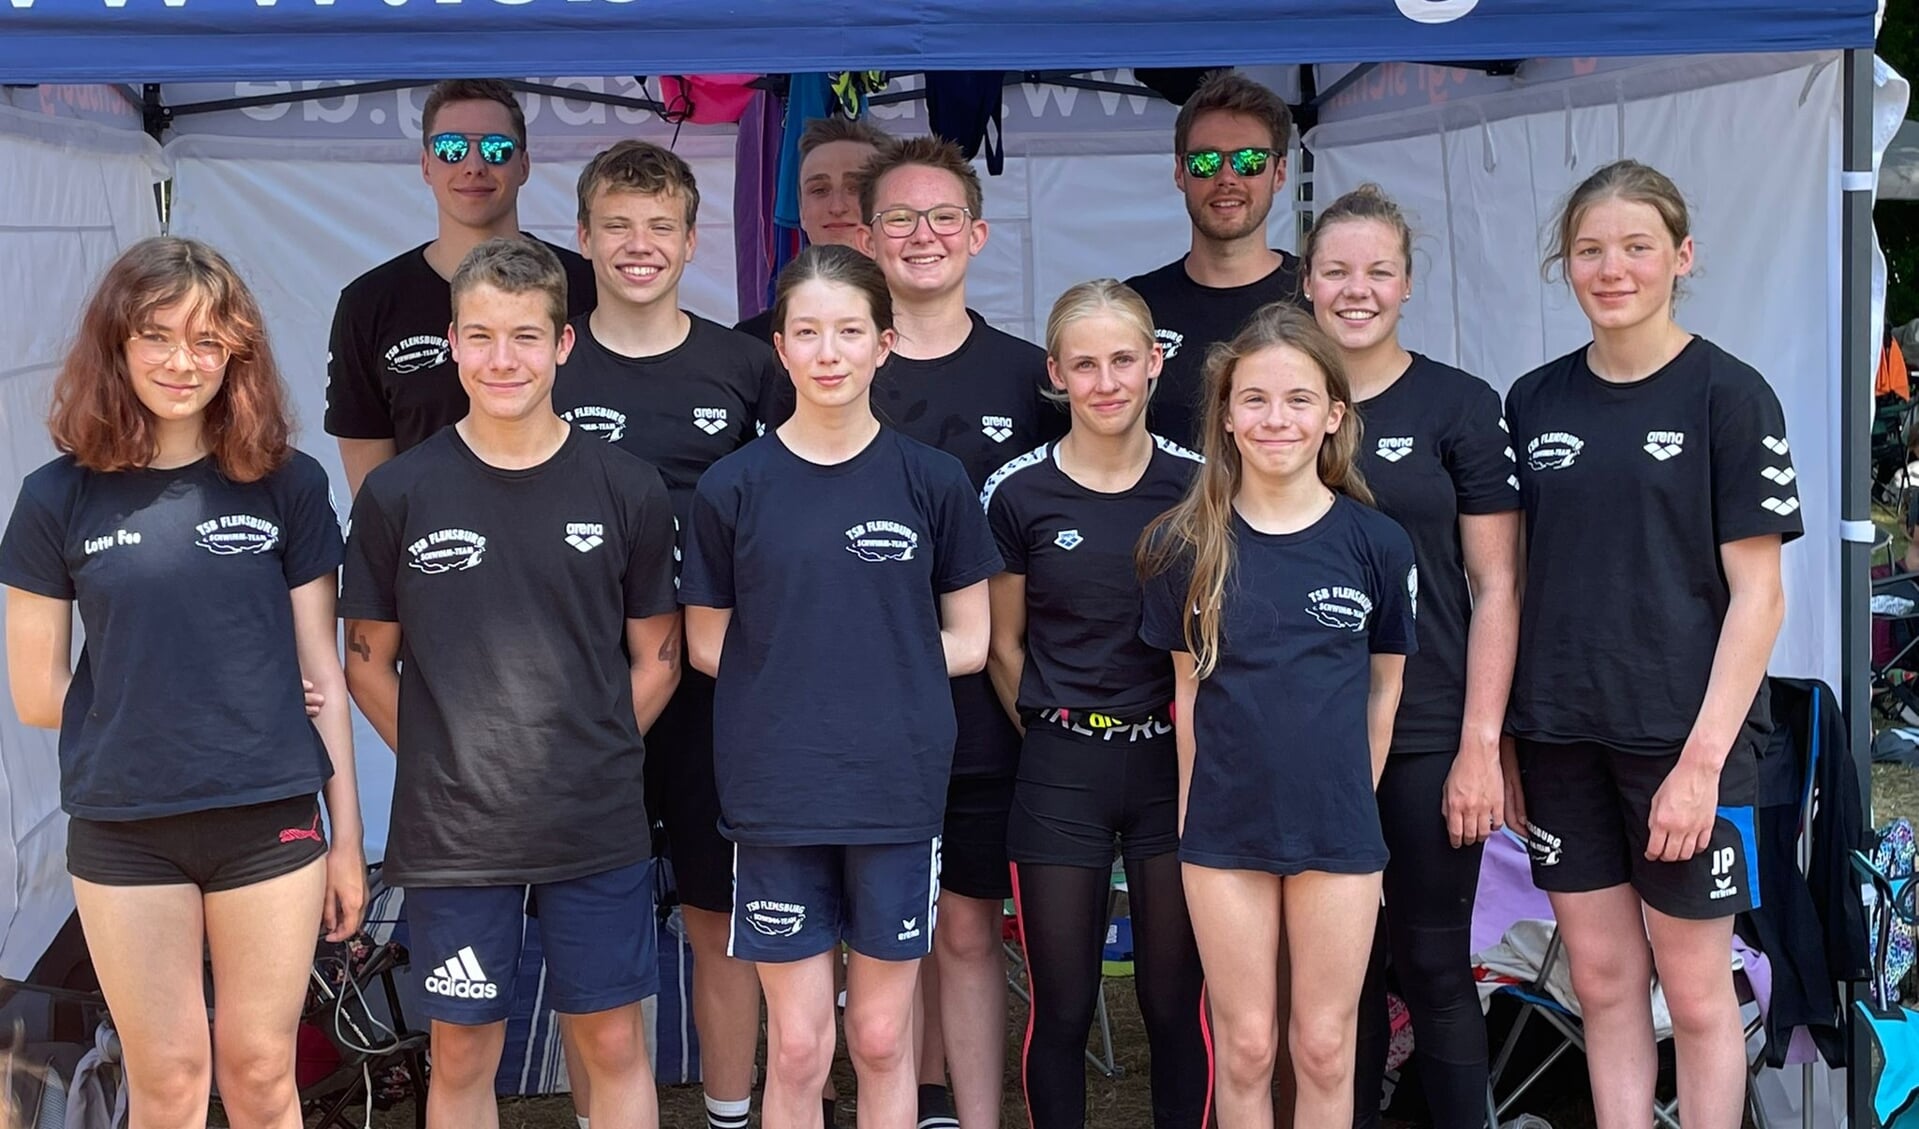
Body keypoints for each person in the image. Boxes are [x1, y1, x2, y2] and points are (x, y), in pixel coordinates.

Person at [0, 236, 365, 1129]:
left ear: (236, 356)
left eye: (208, 341)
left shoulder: (289, 482)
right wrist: (180, 693)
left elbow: (322, 668)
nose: (182, 361)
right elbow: (36, 692)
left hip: (268, 819)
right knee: (165, 1082)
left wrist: (347, 835)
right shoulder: (57, 498)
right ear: (117, 347)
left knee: (260, 1075)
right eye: (157, 336)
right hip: (126, 828)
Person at [340, 238, 680, 1129]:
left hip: (594, 819)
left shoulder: (627, 486)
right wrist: (440, 760)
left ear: (564, 345)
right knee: (462, 1048)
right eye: (482, 335)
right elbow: (366, 660)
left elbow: (659, 655)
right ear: (452, 341)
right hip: (456, 834)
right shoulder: (399, 492)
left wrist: (597, 749)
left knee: (610, 1041)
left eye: (525, 337)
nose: (503, 360)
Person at [1503, 159, 1800, 1129]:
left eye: (1635, 247)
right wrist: (1505, 741)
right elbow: (1507, 585)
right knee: (1597, 979)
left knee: (1697, 991)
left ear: (1680, 256)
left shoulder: (1728, 395)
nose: (1611, 268)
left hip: (1682, 747)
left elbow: (1758, 596)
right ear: (1565, 264)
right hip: (1558, 740)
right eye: (1589, 249)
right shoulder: (1533, 402)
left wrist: (1700, 765)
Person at [679, 243, 1000, 1129]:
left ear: (883, 344)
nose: (829, 352)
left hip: (894, 792)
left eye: (849, 331)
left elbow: (971, 640)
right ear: (779, 348)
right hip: (775, 794)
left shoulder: (932, 481)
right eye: (808, 332)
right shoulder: (731, 487)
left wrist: (867, 659)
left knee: (884, 1036)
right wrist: (828, 663)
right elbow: (707, 645)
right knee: (797, 1044)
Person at [552, 138, 788, 1129]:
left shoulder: (742, 362)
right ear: (584, 237)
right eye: (617, 225)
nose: (638, 245)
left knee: (714, 911)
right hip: (579, 684)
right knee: (587, 918)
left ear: (693, 240)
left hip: (711, 686)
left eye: (659, 227)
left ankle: (729, 1110)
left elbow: (788, 514)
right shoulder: (548, 360)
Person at [1139, 303, 1416, 1129]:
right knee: (1249, 1044)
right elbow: (1187, 692)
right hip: (1223, 835)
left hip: (1337, 830)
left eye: (1298, 399)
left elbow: (1382, 688)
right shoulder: (1182, 544)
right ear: (1224, 416)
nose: (1274, 419)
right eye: (1253, 399)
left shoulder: (1374, 543)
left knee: (1325, 1044)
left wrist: (1354, 803)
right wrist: (1195, 822)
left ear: (1333, 414)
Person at [855, 134, 1065, 1129]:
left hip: (980, 706)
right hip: (855, 708)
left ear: (976, 235)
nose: (922, 235)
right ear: (864, 235)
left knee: (970, 928)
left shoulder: (1031, 378)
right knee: (877, 934)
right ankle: (908, 1101)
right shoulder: (831, 363)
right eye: (899, 217)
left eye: (942, 217)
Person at [1301, 185, 1522, 1128]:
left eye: (1378, 271)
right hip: (1303, 729)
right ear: (1305, 282)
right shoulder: (1276, 397)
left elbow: (1498, 587)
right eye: (1337, 271)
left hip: (1431, 726)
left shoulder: (1458, 405)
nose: (1357, 289)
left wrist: (1482, 745)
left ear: (1406, 283)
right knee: (1333, 971)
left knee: (1432, 959)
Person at [982, 280, 1210, 1128]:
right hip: (1061, 766)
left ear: (1154, 363)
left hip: (1171, 765)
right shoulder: (1018, 493)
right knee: (1064, 1003)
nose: (1106, 380)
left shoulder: (1198, 488)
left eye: (1123, 359)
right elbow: (1003, 645)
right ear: (1056, 373)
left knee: (1171, 1000)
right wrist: (1056, 727)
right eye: (1085, 363)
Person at [325, 78, 598, 497]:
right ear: (426, 164)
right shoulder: (369, 303)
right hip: (433, 551)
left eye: (495, 149)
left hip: (572, 549)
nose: (473, 166)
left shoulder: (587, 286)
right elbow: (375, 497)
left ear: (523, 165)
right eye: (451, 148)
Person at [1125, 70, 1310, 451]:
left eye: (1249, 161)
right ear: (1180, 172)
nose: (1227, 177)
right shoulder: (1132, 307)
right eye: (1205, 161)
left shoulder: (1318, 297)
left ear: (1279, 173)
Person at [736, 116, 896, 345]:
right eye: (820, 190)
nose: (837, 207)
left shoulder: (926, 330)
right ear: (801, 211)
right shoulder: (754, 341)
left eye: (856, 188)